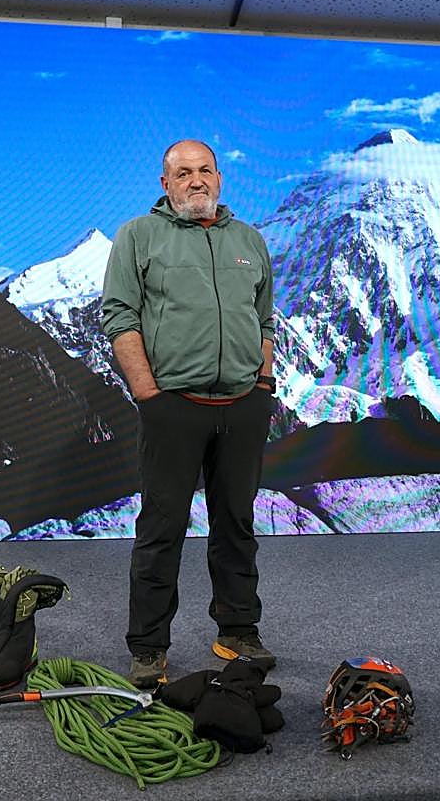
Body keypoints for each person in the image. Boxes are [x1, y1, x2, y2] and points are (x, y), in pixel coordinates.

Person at [101, 139, 277, 689]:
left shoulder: (249, 241)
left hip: (243, 405)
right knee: (161, 528)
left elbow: (264, 319)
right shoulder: (138, 236)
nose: (195, 180)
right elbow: (119, 316)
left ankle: (238, 632)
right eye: (183, 173)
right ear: (165, 183)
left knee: (237, 524)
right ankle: (149, 647)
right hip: (173, 406)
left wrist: (264, 385)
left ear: (219, 179)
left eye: (204, 171)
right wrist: (148, 395)